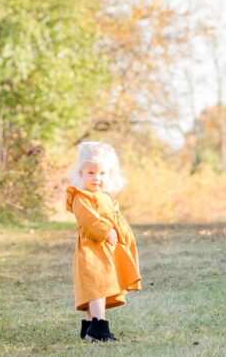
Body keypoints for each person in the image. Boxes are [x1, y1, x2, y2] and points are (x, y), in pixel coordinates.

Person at [65, 141, 141, 342]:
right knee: (97, 287)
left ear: (110, 174)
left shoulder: (102, 196)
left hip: (104, 251)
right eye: (90, 173)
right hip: (92, 250)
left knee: (99, 286)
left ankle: (89, 326)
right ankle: (99, 327)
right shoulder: (81, 197)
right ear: (81, 173)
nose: (96, 178)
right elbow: (89, 220)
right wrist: (106, 231)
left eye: (101, 173)